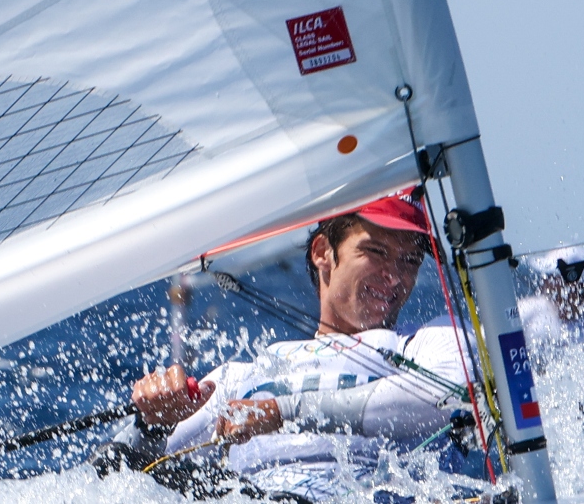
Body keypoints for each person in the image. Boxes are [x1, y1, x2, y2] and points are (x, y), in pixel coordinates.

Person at [95, 189, 477, 502]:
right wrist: (151, 422)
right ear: (323, 252)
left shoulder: (427, 344)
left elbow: (448, 396)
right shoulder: (244, 376)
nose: (395, 276)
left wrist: (285, 410)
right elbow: (115, 477)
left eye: (410, 261)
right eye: (376, 251)